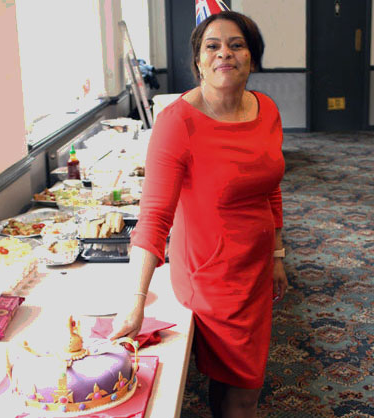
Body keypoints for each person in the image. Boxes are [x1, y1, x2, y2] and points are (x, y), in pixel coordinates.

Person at [111, 10, 288, 418]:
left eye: (237, 45)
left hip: (256, 266)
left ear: (252, 58)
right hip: (211, 273)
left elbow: (270, 187)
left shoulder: (267, 110)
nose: (224, 53)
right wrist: (136, 300)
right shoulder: (178, 123)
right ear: (197, 62)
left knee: (235, 380)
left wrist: (277, 254)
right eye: (213, 46)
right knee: (243, 387)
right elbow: (154, 215)